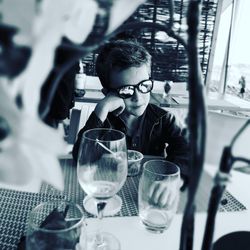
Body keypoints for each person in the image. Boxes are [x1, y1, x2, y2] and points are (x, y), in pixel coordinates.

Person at [73, 40, 189, 188]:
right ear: (108, 94)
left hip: (150, 188)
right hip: (109, 186)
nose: (138, 97)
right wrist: (101, 110)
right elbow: (79, 159)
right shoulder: (104, 122)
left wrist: (175, 179)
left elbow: (188, 151)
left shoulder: (164, 119)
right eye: (126, 90)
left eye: (144, 86)